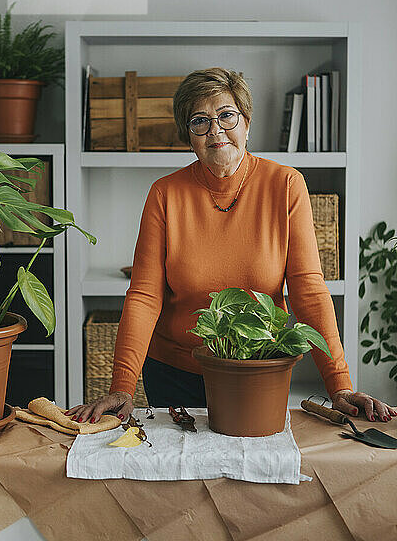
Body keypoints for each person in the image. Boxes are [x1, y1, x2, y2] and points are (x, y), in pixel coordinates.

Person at [65, 67, 396, 425]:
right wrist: (122, 387)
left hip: (259, 372)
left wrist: (340, 386)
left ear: (247, 123)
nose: (216, 130)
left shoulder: (286, 185)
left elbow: (309, 291)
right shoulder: (165, 194)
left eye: (227, 116)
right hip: (174, 372)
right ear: (188, 136)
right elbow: (144, 295)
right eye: (200, 121)